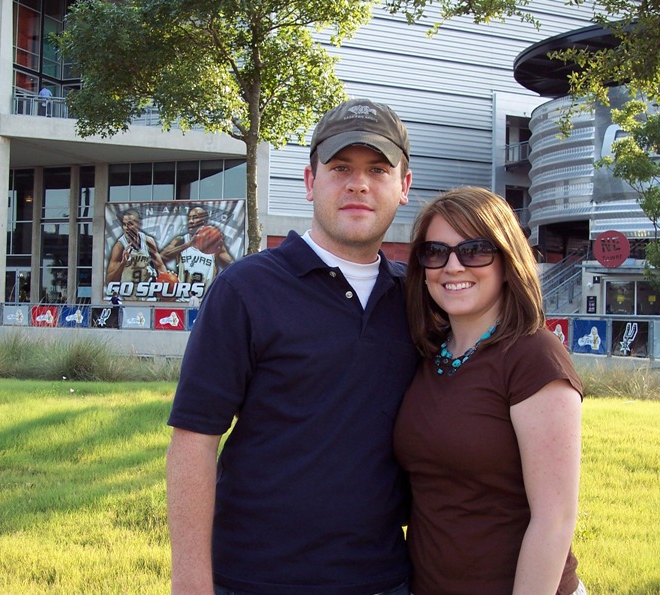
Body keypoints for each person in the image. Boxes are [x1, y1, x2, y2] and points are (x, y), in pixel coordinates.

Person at [166, 98, 416, 595]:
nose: (358, 184)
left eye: (378, 169)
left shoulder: (420, 299)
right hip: (256, 578)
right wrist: (191, 583)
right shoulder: (245, 290)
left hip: (386, 578)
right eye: (340, 167)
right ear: (309, 181)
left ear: (404, 186)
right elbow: (194, 441)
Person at [393, 187, 585, 595]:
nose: (453, 266)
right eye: (436, 252)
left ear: (506, 259)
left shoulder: (533, 356)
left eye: (475, 250)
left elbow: (554, 519)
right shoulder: (427, 355)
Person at [160, 206, 234, 295]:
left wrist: (218, 248)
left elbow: (231, 266)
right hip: (182, 299)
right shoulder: (181, 240)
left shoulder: (213, 242)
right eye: (189, 218)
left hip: (204, 300)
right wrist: (189, 244)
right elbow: (161, 257)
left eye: (195, 218)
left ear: (204, 221)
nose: (191, 221)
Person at [106, 208, 167, 300]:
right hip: (128, 296)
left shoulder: (148, 241)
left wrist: (167, 283)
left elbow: (160, 266)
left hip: (147, 294)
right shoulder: (119, 247)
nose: (126, 228)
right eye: (124, 224)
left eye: (130, 224)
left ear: (139, 224)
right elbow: (110, 281)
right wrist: (122, 263)